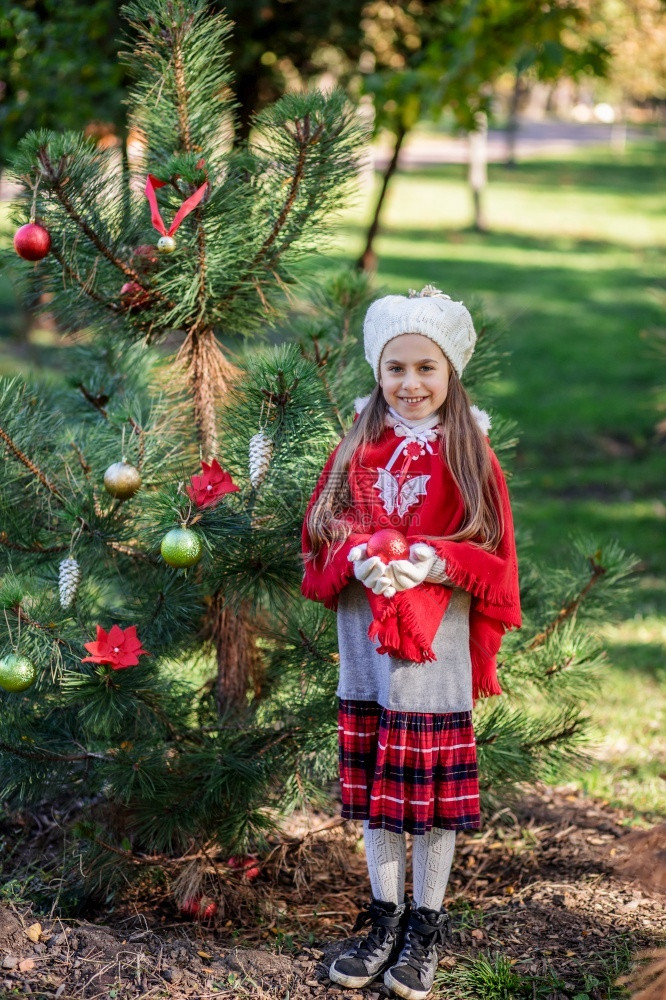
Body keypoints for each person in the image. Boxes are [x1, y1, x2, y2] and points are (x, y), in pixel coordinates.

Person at [301, 285, 521, 1000]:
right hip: (368, 640)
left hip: (435, 643)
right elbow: (321, 530)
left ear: (451, 371)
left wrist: (435, 559)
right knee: (377, 787)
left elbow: (494, 552)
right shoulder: (358, 446)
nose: (411, 383)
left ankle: (425, 922)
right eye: (396, 368)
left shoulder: (470, 452)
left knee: (423, 792)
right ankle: (384, 914)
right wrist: (358, 554)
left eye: (426, 367)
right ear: (377, 371)